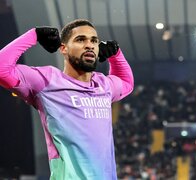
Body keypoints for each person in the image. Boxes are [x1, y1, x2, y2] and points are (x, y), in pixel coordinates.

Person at [0, 19, 134, 180]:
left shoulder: (104, 85)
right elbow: (2, 68)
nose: (89, 45)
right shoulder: (46, 81)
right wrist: (33, 35)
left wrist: (116, 55)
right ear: (63, 48)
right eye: (80, 39)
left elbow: (127, 83)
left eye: (94, 40)